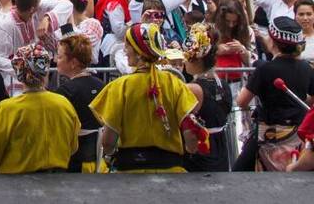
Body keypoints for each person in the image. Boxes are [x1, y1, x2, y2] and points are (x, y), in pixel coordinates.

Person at [90, 23, 203, 173]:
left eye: (127, 46)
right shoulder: (174, 83)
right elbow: (191, 136)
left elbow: (108, 141)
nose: (124, 50)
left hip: (131, 174)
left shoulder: (119, 87)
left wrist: (110, 156)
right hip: (171, 172)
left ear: (138, 52)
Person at [0, 43, 80, 173]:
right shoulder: (64, 104)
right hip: (57, 183)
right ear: (46, 69)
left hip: (14, 186)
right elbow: (72, 147)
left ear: (18, 71)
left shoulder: (6, 109)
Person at [235, 16, 314, 171]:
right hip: (298, 134)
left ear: (273, 42)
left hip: (269, 133)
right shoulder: (307, 68)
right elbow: (311, 100)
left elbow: (242, 102)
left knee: (238, 172)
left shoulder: (265, 69)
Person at [0, 0, 73, 90]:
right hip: (17, 83)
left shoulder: (39, 7)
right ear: (32, 9)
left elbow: (68, 5)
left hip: (40, 80)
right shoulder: (7, 25)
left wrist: (47, 18)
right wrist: (24, 67)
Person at [181, 23, 231, 172]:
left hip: (201, 153)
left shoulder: (193, 89)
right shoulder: (223, 84)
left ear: (194, 59)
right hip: (221, 150)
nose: (183, 62)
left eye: (185, 57)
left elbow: (186, 128)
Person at [55, 34, 106, 172]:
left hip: (76, 165)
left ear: (73, 63)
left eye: (59, 57)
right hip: (99, 163)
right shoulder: (101, 85)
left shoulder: (65, 91)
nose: (55, 60)